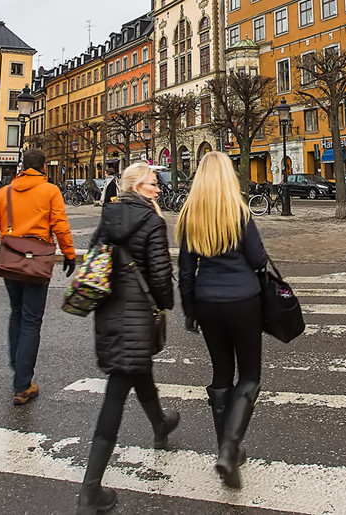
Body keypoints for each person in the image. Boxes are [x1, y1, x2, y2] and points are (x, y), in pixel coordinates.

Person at [76, 163, 178, 513]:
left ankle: (160, 424)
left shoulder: (110, 214)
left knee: (138, 368)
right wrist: (165, 303)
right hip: (137, 314)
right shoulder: (152, 221)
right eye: (152, 183)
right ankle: (90, 490)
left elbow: (94, 257)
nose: (158, 189)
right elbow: (161, 275)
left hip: (109, 310)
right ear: (136, 186)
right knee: (117, 392)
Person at [177, 151, 267, 489]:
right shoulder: (239, 212)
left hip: (207, 302)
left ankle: (225, 449)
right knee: (250, 376)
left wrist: (190, 311)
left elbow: (185, 272)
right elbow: (258, 260)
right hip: (243, 300)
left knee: (221, 374)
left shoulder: (190, 215)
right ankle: (230, 448)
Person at [0, 148, 77, 406]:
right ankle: (23, 384)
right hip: (37, 262)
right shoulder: (50, 191)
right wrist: (69, 255)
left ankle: (18, 366)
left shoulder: (5, 193)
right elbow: (61, 226)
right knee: (31, 321)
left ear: (23, 167)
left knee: (16, 314)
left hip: (11, 260)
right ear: (44, 167)